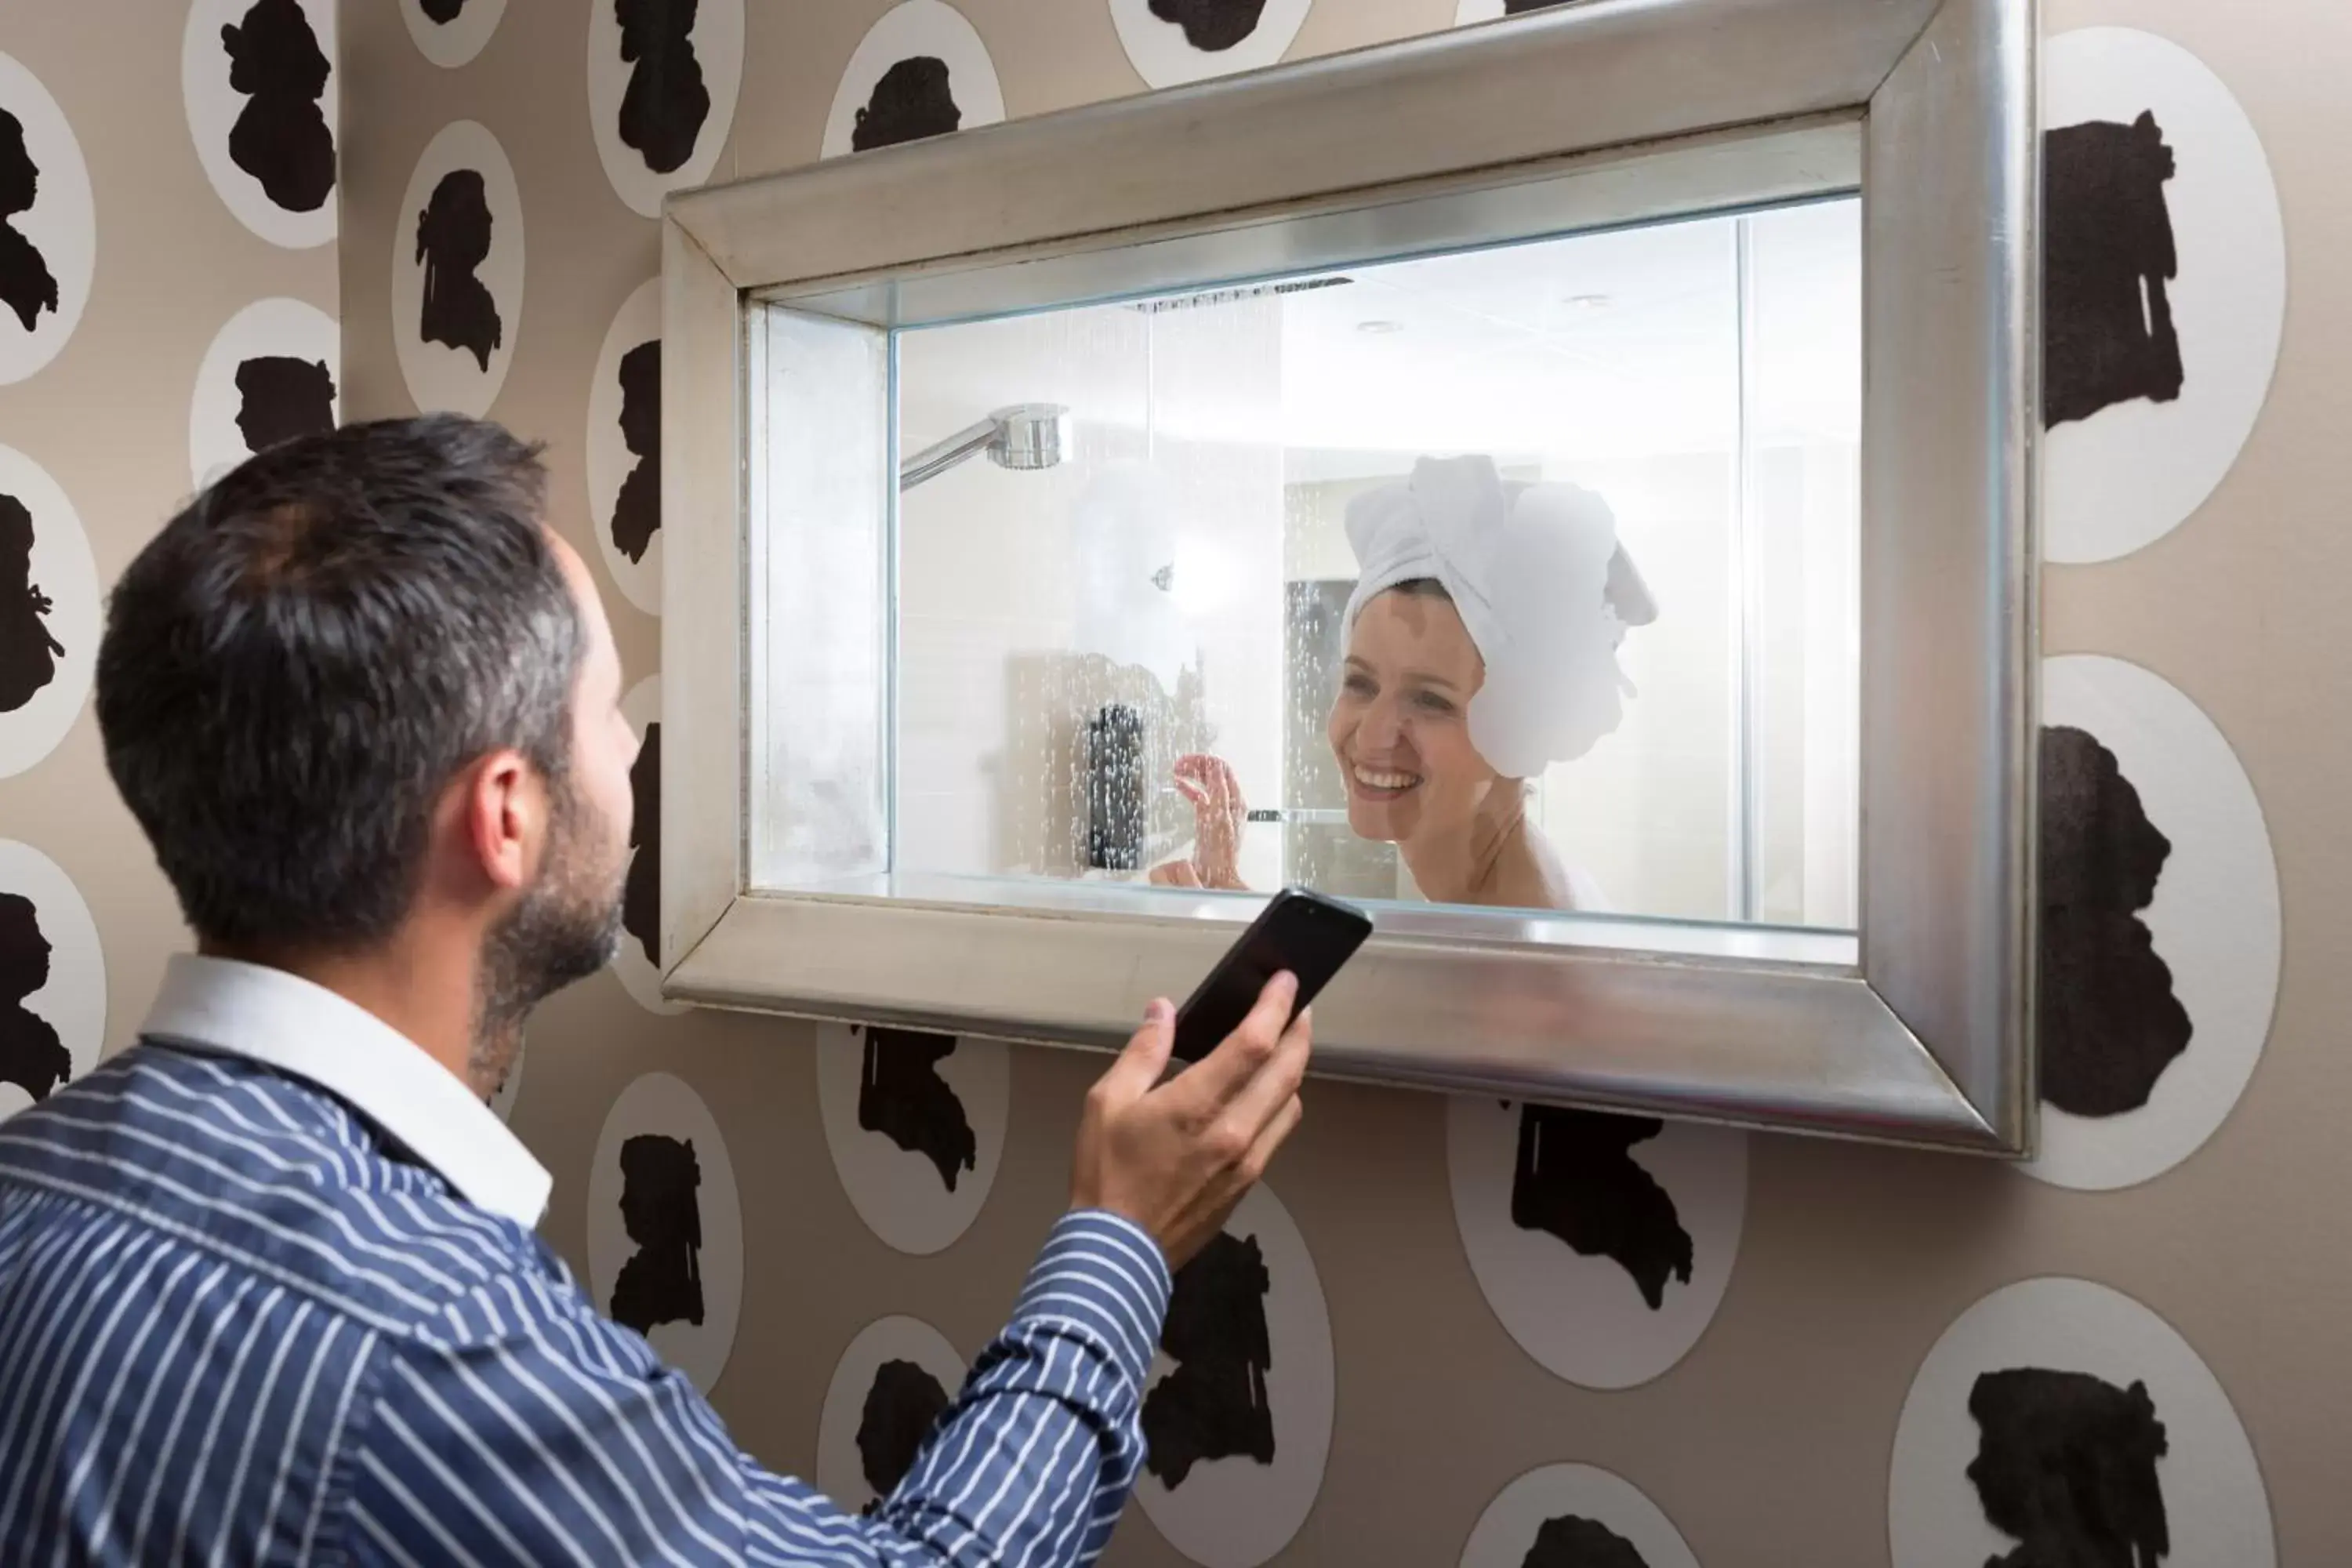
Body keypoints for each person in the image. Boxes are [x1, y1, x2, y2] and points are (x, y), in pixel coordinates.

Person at [0, 415, 1311, 1564]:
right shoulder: (437, 1347)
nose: (628, 754)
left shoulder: (32, 1182)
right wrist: (1119, 1243)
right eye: (606, 710)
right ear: (505, 818)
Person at [1155, 452, 1654, 912]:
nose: (1373, 735)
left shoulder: (1518, 963)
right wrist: (1226, 893)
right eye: (1360, 683)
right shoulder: (1483, 903)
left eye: (1431, 700)